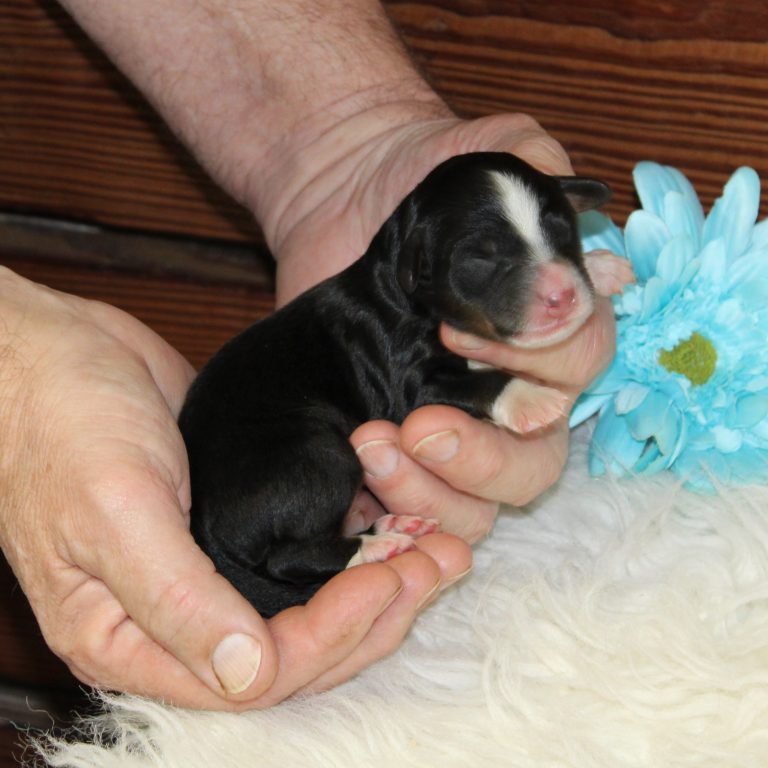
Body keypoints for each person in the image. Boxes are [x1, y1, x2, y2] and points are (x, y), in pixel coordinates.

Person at [0, 0, 616, 710]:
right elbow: (424, 388)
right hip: (264, 478)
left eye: (559, 236)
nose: (555, 283)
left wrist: (350, 148)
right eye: (487, 256)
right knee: (321, 459)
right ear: (419, 270)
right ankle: (312, 554)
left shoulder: (394, 291)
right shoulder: (387, 320)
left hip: (248, 472)